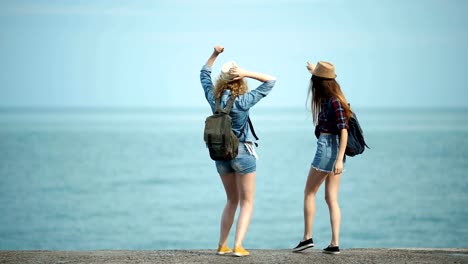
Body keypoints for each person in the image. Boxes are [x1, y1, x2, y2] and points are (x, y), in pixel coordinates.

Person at [200, 45, 276, 257]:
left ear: (222, 80)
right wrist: (246, 72)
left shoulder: (212, 98)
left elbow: (204, 74)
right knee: (247, 201)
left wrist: (215, 54)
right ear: (239, 80)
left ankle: (222, 245)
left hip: (220, 154)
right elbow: (271, 81)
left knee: (231, 200)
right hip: (242, 151)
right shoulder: (243, 101)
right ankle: (238, 246)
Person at [292, 61, 352, 255]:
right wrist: (313, 70)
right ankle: (334, 243)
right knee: (330, 197)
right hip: (333, 150)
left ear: (320, 82)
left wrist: (339, 159)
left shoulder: (334, 101)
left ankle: (307, 238)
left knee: (309, 192)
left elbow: (344, 130)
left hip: (329, 148)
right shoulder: (333, 96)